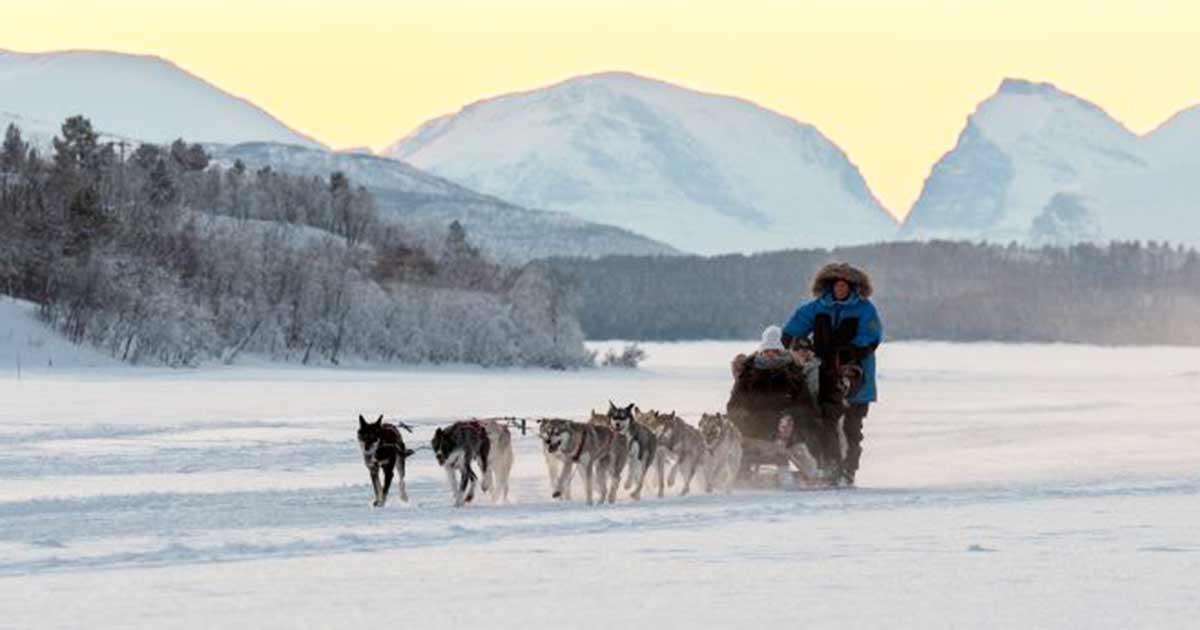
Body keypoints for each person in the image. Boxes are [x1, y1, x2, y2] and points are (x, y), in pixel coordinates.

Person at [781, 262, 882, 485]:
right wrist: (797, 343)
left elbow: (871, 337)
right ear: (829, 286)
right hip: (823, 377)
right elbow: (791, 331)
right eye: (836, 285)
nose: (840, 289)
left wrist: (848, 353)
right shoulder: (817, 308)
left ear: (853, 287)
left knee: (851, 429)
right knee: (824, 423)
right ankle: (828, 467)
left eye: (844, 285)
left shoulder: (865, 309)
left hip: (856, 378)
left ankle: (848, 471)